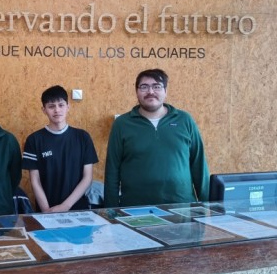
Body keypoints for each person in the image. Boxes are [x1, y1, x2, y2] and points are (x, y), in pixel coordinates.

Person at [104, 69, 209, 207]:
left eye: (156, 86)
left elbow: (199, 165)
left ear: (165, 91)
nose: (150, 92)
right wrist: (111, 211)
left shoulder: (185, 120)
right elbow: (112, 170)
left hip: (181, 208)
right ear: (136, 92)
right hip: (135, 210)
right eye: (144, 87)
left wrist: (209, 205)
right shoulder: (122, 124)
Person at [23, 85, 98, 212]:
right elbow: (35, 180)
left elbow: (87, 177)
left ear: (68, 107)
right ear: (44, 110)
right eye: (51, 106)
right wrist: (47, 211)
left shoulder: (83, 137)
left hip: (78, 210)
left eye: (61, 105)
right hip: (46, 210)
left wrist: (65, 206)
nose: (57, 110)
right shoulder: (34, 140)